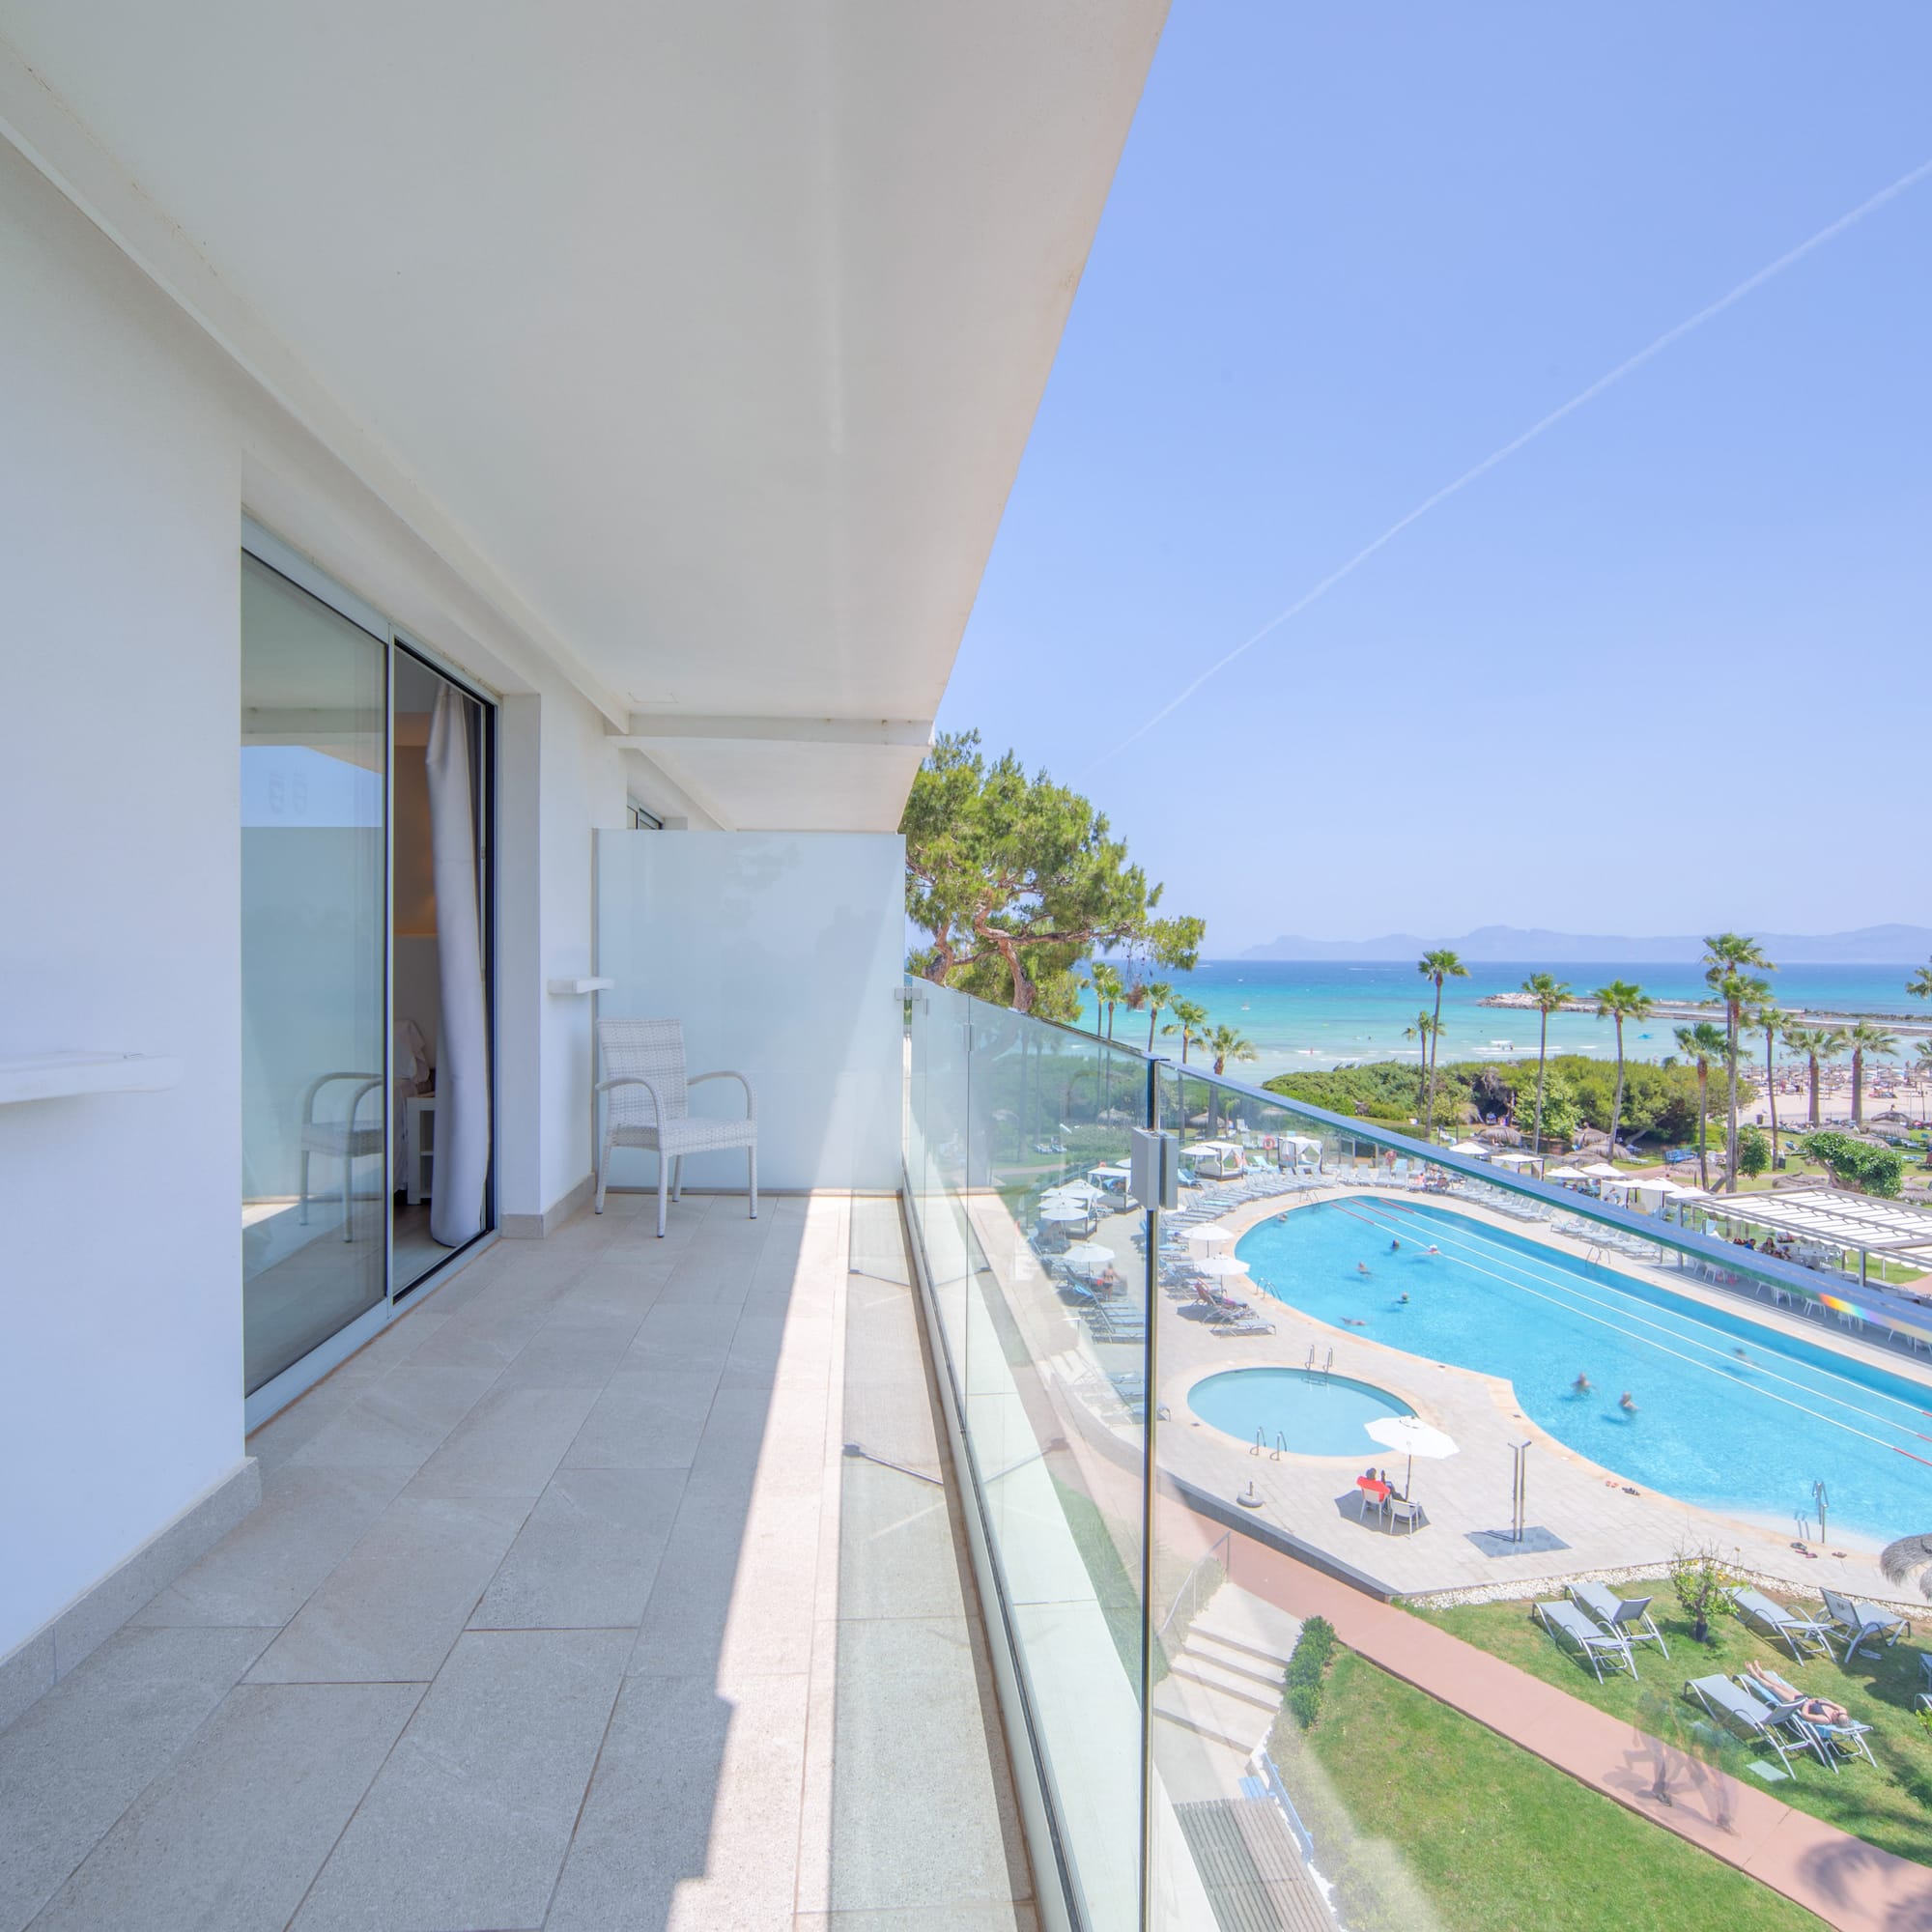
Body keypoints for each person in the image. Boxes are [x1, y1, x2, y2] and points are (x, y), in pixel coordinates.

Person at [1746, 1661, 1851, 1727]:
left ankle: (1755, 1675)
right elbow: (1835, 1706)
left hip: (1798, 1704)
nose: (1836, 1712)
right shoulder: (1841, 1711)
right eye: (1838, 1712)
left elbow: (1805, 1716)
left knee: (1774, 1688)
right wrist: (1821, 1701)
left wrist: (1806, 1704)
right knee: (1781, 1686)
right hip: (1806, 1698)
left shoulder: (1825, 1719)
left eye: (1837, 1715)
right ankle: (1761, 1672)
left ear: (1836, 1721)